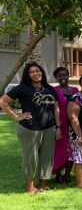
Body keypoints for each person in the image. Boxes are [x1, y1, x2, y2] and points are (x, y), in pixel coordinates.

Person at [0, 62, 60, 193]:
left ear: (42, 72)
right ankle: (30, 186)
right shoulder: (22, 88)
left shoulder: (49, 89)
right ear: (27, 75)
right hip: (29, 128)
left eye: (38, 71)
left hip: (49, 128)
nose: (36, 73)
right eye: (32, 72)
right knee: (30, 158)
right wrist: (16, 116)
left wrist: (58, 126)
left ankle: (44, 184)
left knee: (47, 157)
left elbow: (56, 109)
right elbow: (3, 102)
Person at [52, 67, 78, 183]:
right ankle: (58, 174)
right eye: (59, 76)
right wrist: (57, 127)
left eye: (64, 75)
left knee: (72, 148)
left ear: (68, 76)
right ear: (56, 78)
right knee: (58, 148)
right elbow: (55, 109)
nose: (62, 77)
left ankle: (67, 174)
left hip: (73, 123)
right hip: (60, 123)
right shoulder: (54, 90)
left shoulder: (75, 90)